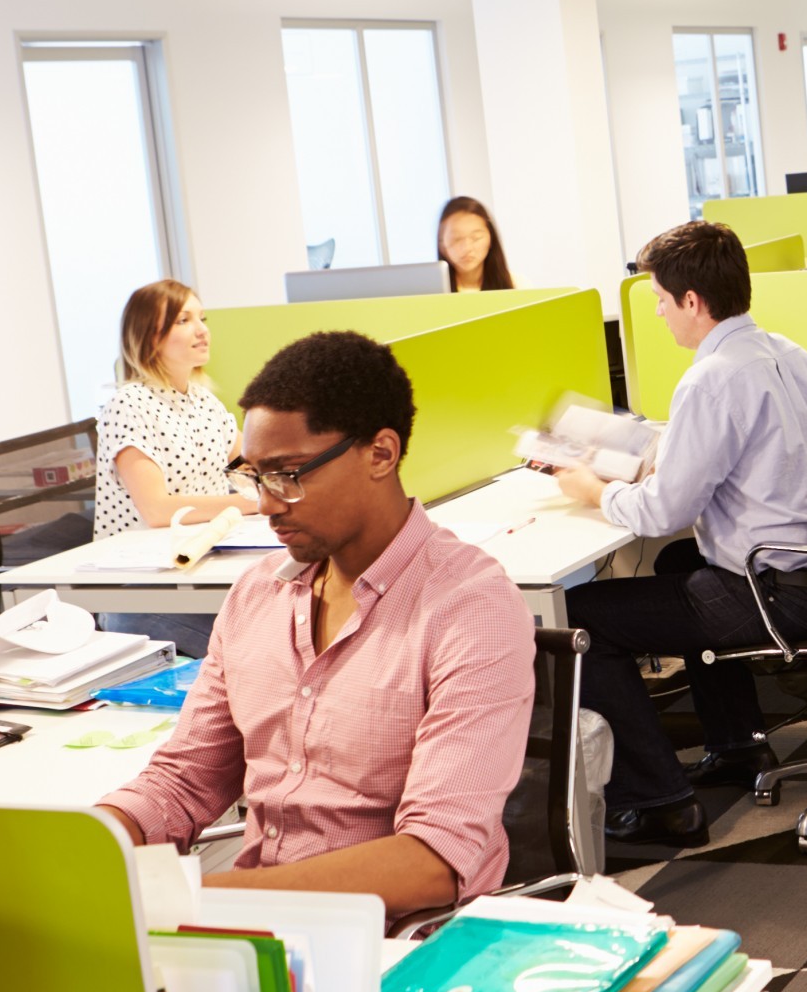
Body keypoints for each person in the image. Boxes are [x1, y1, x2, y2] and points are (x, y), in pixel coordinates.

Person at [97, 332, 535, 916]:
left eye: (288, 474)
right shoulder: (257, 595)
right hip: (256, 927)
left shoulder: (469, 604)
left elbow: (435, 858)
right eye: (254, 476)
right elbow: (185, 781)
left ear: (380, 453)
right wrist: (92, 841)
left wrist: (195, 900)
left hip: (397, 941)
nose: (267, 503)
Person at [556, 221, 807, 847]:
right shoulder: (789, 353)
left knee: (579, 619)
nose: (658, 312)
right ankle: (737, 746)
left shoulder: (709, 378)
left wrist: (595, 491)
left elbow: (661, 511)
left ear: (692, 302)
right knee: (677, 564)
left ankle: (658, 800)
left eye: (661, 300)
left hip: (782, 595)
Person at [93, 281, 261, 656]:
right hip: (141, 594)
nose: (202, 330)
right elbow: (157, 510)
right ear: (150, 337)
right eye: (184, 320)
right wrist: (251, 503)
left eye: (202, 318)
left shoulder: (204, 401)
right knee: (254, 653)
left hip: (195, 575)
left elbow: (253, 465)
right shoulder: (128, 404)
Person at [438, 196, 514, 292]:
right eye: (456, 239)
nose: (467, 248)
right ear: (442, 245)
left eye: (476, 238)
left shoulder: (517, 285)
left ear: (491, 238)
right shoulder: (431, 292)